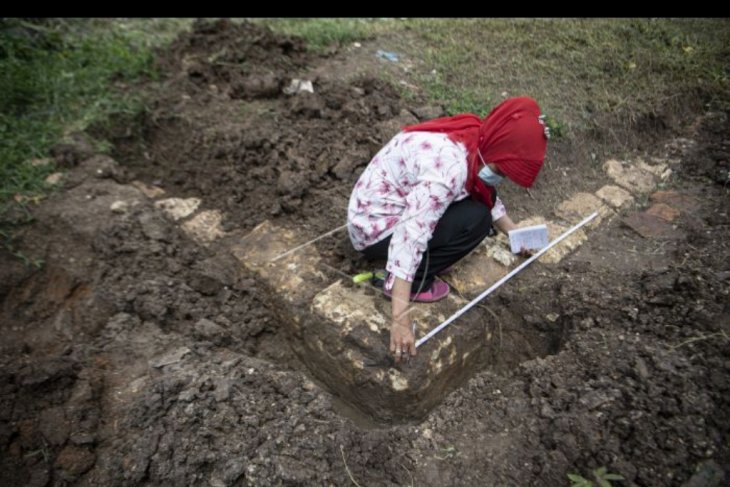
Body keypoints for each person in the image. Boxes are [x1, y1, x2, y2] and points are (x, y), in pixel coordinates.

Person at [347, 96, 549, 363]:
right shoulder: (448, 172)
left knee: (477, 204)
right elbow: (410, 237)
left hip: (384, 208)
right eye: (502, 170)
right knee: (477, 219)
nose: (502, 177)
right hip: (375, 230)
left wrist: (513, 232)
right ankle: (416, 281)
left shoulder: (477, 137)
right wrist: (399, 318)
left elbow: (483, 190)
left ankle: (411, 274)